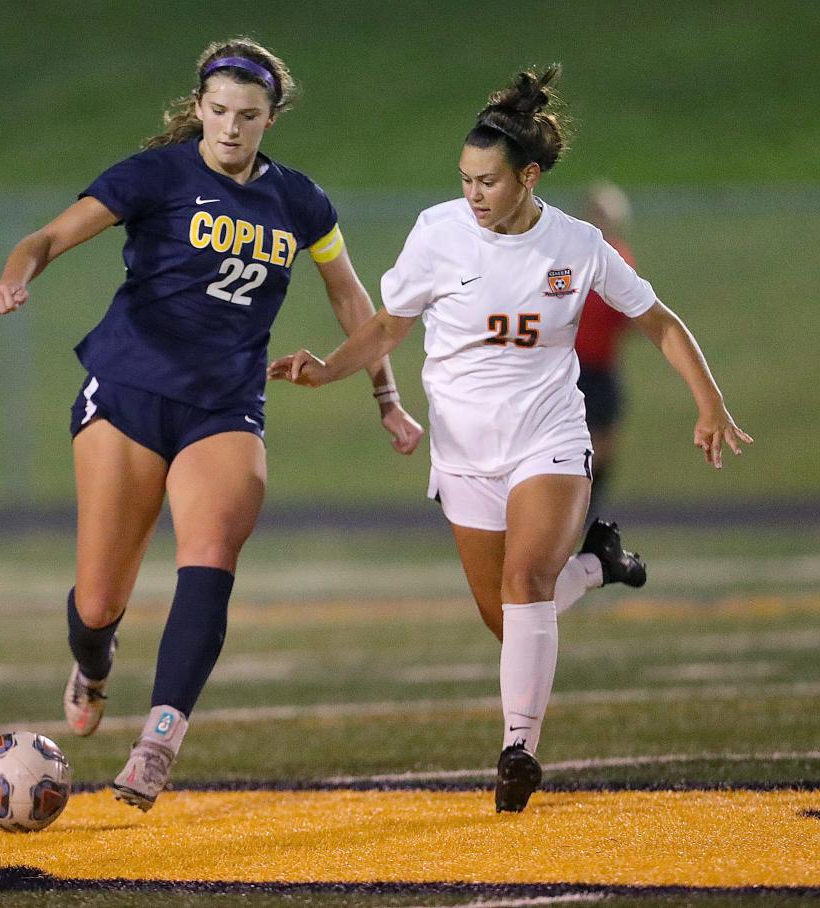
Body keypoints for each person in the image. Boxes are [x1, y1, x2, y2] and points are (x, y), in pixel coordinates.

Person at [268, 65, 752, 813]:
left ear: (528, 177)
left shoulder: (578, 244)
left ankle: (518, 748)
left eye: (487, 182)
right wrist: (328, 369)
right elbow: (389, 325)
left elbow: (656, 319)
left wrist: (709, 398)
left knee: (525, 587)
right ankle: (595, 566)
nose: (473, 194)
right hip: (463, 452)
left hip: (549, 438)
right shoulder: (437, 233)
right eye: (464, 180)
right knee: (509, 613)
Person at [0, 37, 424, 812]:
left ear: (269, 119)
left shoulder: (301, 202)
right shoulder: (157, 174)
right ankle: (92, 661)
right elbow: (46, 238)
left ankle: (159, 740)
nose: (229, 127)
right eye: (217, 111)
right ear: (198, 109)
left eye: (247, 116)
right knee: (98, 602)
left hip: (224, 406)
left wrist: (385, 395)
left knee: (212, 548)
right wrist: (14, 279)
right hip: (127, 391)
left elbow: (353, 299)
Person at [574, 181, 638, 524]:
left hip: (601, 367)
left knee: (604, 445)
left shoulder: (619, 261)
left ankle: (590, 511)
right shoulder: (570, 258)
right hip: (569, 368)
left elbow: (630, 316)